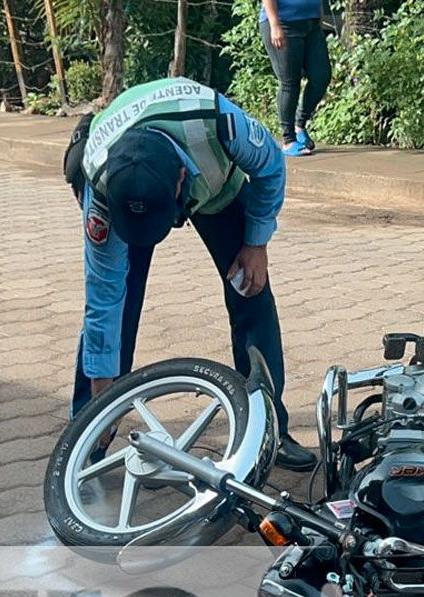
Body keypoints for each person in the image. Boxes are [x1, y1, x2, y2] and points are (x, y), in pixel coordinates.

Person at [63, 76, 316, 471]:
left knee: (250, 289)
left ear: (182, 178)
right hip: (131, 178)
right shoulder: (101, 182)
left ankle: (268, 430)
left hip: (217, 188)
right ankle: (87, 432)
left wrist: (256, 244)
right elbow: (103, 297)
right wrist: (102, 387)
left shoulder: (219, 125)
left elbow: (270, 168)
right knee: (118, 303)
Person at [259, 0, 331, 156]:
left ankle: (300, 125)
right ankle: (288, 140)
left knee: (321, 76)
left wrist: (319, 15)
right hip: (283, 23)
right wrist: (274, 24)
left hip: (311, 25)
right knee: (290, 82)